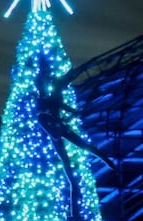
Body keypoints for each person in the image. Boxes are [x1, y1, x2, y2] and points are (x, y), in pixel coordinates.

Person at [34, 55, 116, 202]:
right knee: (67, 156)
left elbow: (61, 105)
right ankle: (74, 182)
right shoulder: (44, 106)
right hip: (57, 130)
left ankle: (105, 160)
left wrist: (72, 113)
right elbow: (50, 119)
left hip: (60, 128)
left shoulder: (52, 98)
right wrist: (58, 128)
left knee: (81, 147)